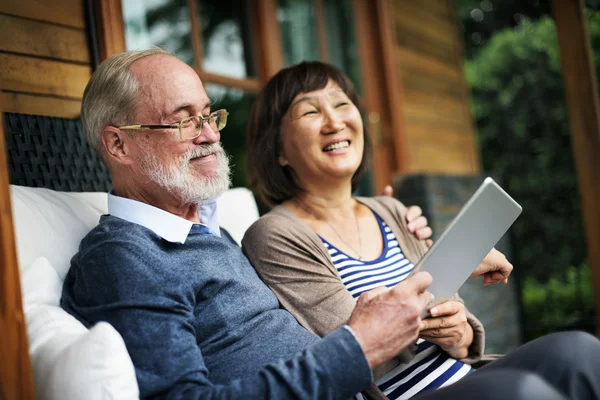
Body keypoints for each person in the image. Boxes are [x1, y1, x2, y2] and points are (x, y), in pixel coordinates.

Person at [60, 48, 597, 400]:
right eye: (184, 120)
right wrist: (358, 345)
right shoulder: (122, 258)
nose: (207, 134)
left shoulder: (208, 231)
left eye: (209, 115)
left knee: (578, 352)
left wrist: (435, 265)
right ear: (117, 143)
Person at [242, 60, 600, 400]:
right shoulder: (274, 234)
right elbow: (356, 348)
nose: (334, 122)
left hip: (469, 374)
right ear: (278, 151)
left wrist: (460, 333)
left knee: (580, 350)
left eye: (341, 104)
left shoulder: (392, 210)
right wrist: (457, 268)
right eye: (310, 111)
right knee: (526, 392)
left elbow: (449, 312)